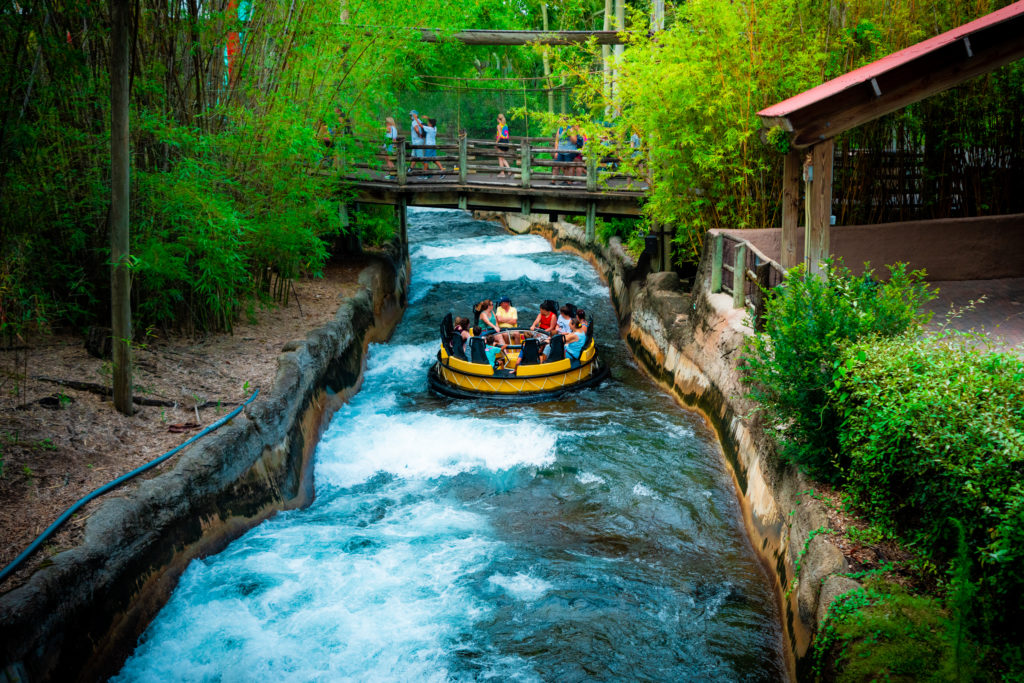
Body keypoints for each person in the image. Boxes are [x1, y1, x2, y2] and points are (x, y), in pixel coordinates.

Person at [554, 119, 577, 184]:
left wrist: (569, 134)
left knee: (568, 166)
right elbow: (556, 141)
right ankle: (553, 181)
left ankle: (568, 182)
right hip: (560, 151)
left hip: (569, 151)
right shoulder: (560, 129)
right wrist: (556, 151)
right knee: (555, 165)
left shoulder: (571, 129)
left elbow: (575, 141)